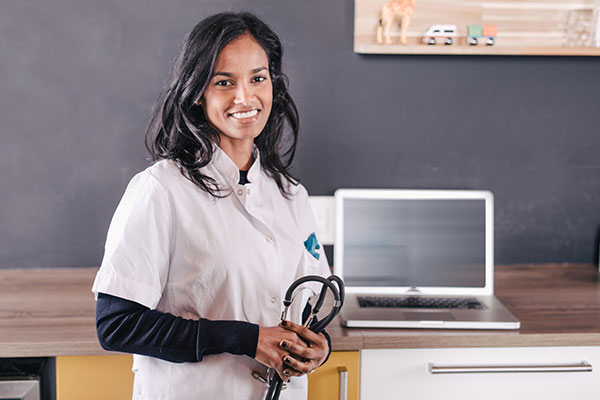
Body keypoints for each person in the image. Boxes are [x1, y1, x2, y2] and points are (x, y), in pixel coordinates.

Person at [91, 11, 331, 400]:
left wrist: (317, 347)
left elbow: (309, 311)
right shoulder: (161, 189)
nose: (245, 97)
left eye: (258, 78)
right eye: (225, 82)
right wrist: (246, 339)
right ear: (198, 92)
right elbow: (117, 325)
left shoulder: (291, 195)